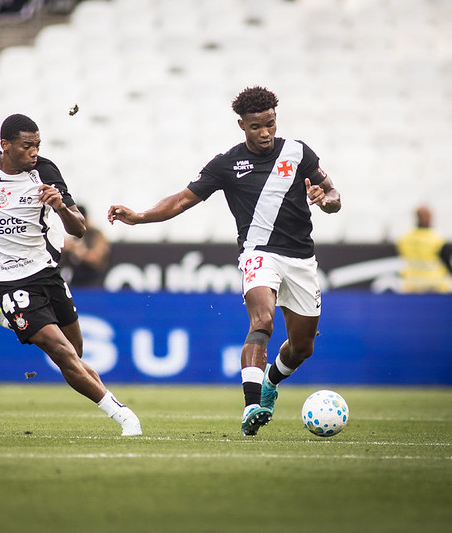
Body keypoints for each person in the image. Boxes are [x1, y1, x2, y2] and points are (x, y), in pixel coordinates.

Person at [108, 86, 341, 437]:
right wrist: (139, 217)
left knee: (302, 347)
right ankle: (251, 407)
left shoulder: (298, 152)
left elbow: (335, 195)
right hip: (258, 254)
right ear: (241, 125)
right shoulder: (227, 164)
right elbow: (182, 200)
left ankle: (271, 382)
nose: (265, 133)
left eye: (270, 124)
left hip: (302, 259)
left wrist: (325, 200)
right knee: (262, 319)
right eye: (256, 126)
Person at [0, 113, 141, 436]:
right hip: (7, 278)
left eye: (37, 145)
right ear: (5, 145)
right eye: (26, 146)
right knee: (61, 353)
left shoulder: (44, 172)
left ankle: (6, 318)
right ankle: (124, 416)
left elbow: (78, 229)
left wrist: (60, 207)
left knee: (74, 353)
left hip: (46, 271)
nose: (34, 152)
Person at [395, 205, 452, 293]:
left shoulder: (404, 238)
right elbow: (448, 262)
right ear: (429, 218)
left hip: (412, 283)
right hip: (436, 283)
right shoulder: (437, 238)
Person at [60, 204, 111, 287]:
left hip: (94, 281)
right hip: (76, 280)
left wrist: (78, 251)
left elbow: (96, 259)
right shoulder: (74, 235)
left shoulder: (97, 235)